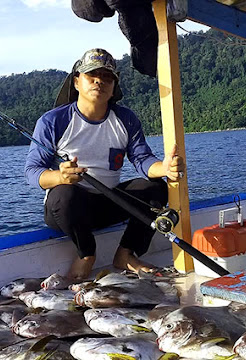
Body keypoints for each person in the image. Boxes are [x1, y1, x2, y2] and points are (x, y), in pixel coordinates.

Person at [24, 48, 185, 280]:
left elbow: (141, 159)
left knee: (155, 187)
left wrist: (165, 168)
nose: (99, 81)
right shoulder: (53, 121)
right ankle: (86, 254)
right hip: (70, 209)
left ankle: (126, 254)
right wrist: (59, 177)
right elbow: (32, 171)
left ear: (114, 87)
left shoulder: (126, 119)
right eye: (92, 76)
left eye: (107, 77)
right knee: (64, 195)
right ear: (77, 82)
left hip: (109, 201)